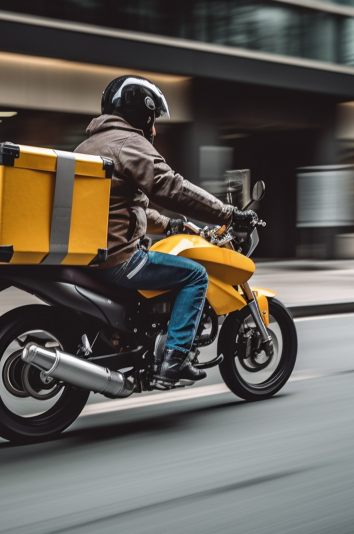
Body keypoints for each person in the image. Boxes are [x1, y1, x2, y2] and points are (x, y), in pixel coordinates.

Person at [74, 75, 258, 387]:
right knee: (195, 275)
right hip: (117, 258)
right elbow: (168, 185)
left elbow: (118, 206)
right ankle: (175, 359)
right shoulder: (129, 143)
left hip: (89, 254)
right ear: (141, 114)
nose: (155, 129)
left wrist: (168, 223)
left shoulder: (89, 144)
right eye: (153, 119)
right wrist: (228, 212)